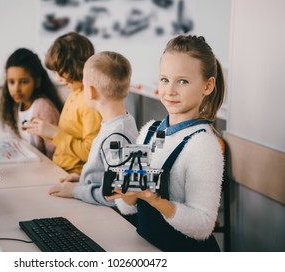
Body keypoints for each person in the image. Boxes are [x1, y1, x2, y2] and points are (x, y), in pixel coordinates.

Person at [106, 35, 226, 252]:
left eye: (183, 81)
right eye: (164, 79)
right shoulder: (149, 132)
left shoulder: (203, 145)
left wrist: (157, 201)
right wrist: (128, 194)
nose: (170, 90)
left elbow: (203, 226)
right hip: (149, 247)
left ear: (208, 86)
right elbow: (128, 209)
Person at [48, 51, 139, 206]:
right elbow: (109, 174)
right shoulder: (116, 123)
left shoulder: (117, 135)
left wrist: (76, 191)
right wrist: (83, 178)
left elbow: (117, 196)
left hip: (110, 216)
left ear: (90, 91)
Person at [24, 32, 102, 174]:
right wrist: (44, 130)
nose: (58, 78)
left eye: (61, 72)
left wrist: (54, 133)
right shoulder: (75, 92)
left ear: (76, 67)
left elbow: (91, 153)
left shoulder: (90, 101)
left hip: (75, 174)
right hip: (60, 168)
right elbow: (69, 135)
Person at [0, 48, 63, 159]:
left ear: (37, 82)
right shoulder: (17, 105)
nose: (16, 89)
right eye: (11, 82)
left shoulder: (43, 107)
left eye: (24, 82)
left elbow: (55, 152)